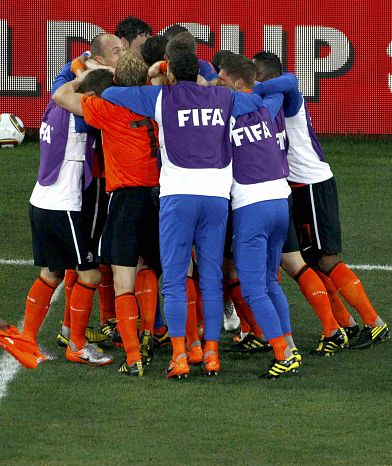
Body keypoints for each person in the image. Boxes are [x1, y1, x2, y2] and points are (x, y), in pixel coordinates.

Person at [100, 50, 269, 379]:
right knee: (210, 279)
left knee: (176, 281)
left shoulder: (161, 96)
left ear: (172, 74)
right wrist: (209, 84)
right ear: (200, 73)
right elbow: (256, 100)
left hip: (178, 199)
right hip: (216, 198)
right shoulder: (222, 96)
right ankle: (212, 355)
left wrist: (159, 69)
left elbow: (110, 93)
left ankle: (179, 355)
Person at [252, 53, 389, 350]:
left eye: (257, 74)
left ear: (269, 76)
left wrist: (253, 88)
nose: (254, 79)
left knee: (326, 259)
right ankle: (345, 325)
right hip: (298, 187)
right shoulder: (272, 97)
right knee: (312, 261)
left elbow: (291, 79)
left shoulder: (286, 93)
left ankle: (374, 323)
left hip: (312, 184)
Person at [52, 51, 161, 377]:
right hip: (158, 197)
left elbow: (60, 95)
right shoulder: (157, 102)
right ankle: (148, 333)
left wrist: (82, 70)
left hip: (126, 201)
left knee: (122, 281)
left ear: (115, 81)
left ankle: (133, 358)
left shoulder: (107, 107)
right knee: (147, 270)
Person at [16, 69, 117, 368]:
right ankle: (77, 345)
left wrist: (80, 69)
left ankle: (28, 339)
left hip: (39, 201)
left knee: (51, 273)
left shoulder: (54, 104)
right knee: (90, 275)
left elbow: (61, 81)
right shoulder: (82, 119)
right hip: (64, 207)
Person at [216, 53, 299, 379]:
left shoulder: (222, 112)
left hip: (252, 206)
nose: (216, 84)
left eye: (221, 79)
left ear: (236, 83)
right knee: (268, 281)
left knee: (252, 288)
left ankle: (283, 352)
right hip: (281, 201)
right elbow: (290, 82)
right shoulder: (266, 107)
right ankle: (289, 345)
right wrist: (256, 89)